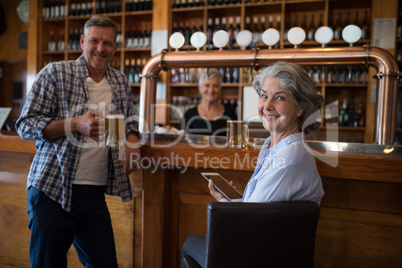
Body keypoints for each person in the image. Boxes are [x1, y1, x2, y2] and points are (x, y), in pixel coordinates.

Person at [16, 15, 141, 268]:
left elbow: (127, 124)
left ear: (115, 47)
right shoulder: (55, 73)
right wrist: (74, 124)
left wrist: (132, 140)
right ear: (82, 41)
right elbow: (25, 125)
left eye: (107, 43)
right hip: (52, 188)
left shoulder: (119, 80)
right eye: (94, 41)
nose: (100, 48)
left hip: (93, 194)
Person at [181, 61, 325, 267]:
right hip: (266, 247)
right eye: (264, 95)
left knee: (190, 243)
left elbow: (248, 222)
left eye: (280, 97)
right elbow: (260, 209)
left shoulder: (289, 158)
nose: (267, 106)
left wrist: (225, 204)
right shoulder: (277, 147)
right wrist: (234, 199)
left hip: (261, 255)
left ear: (301, 108)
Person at [180, 68, 237, 136]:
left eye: (215, 86)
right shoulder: (189, 115)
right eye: (207, 85)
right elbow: (181, 140)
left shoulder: (230, 114)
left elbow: (236, 140)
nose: (211, 90)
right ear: (199, 88)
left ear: (220, 89)